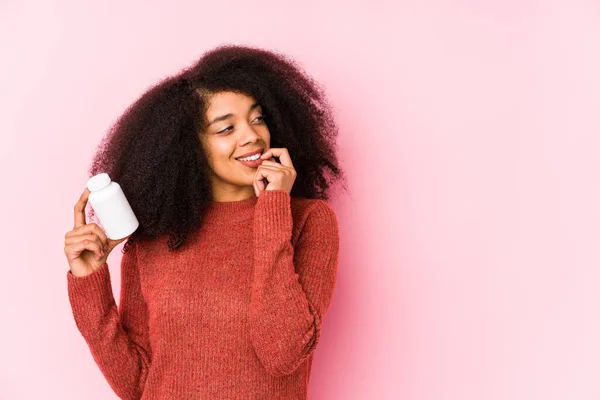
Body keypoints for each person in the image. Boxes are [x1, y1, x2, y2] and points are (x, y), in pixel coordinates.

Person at [63, 44, 347, 399]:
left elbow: (284, 351)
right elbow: (137, 385)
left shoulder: (308, 221)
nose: (252, 135)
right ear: (190, 146)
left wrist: (274, 207)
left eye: (257, 118)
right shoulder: (155, 238)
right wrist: (90, 282)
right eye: (226, 128)